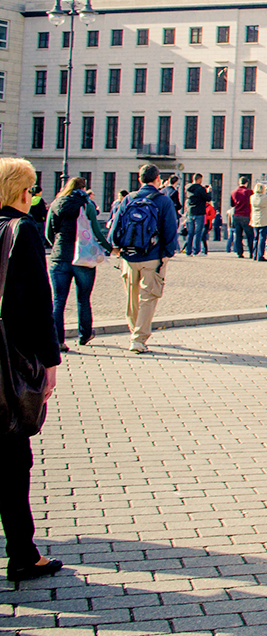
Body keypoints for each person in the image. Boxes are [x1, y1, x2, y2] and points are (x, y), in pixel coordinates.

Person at [0, 158, 65, 583]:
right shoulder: (22, 231)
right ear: (24, 192)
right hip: (8, 361)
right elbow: (38, 306)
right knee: (12, 456)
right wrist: (50, 363)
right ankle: (23, 553)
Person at [110, 164, 181, 354]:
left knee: (131, 298)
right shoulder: (163, 201)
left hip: (128, 256)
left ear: (140, 179)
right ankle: (139, 338)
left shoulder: (128, 199)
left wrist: (116, 249)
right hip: (152, 256)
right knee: (148, 297)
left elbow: (115, 226)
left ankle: (135, 331)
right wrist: (167, 254)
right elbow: (170, 230)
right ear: (157, 179)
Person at [43, 177, 113, 350]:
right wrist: (109, 248)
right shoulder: (86, 205)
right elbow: (96, 231)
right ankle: (85, 334)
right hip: (82, 257)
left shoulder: (56, 203)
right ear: (83, 188)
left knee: (59, 300)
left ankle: (58, 341)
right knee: (83, 298)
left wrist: (57, 246)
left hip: (60, 257)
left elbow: (48, 233)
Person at [183, 177, 210, 256]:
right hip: (199, 212)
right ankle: (196, 251)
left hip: (190, 212)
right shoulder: (201, 189)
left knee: (190, 232)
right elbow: (208, 198)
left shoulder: (188, 188)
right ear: (200, 179)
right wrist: (208, 191)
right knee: (198, 232)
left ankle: (188, 251)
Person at [249, 181, 267, 261]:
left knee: (256, 238)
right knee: (262, 238)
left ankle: (254, 255)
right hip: (264, 220)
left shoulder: (252, 197)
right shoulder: (265, 197)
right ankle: (260, 255)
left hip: (255, 219)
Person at [229, 177, 252, 257]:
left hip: (236, 215)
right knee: (250, 235)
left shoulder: (234, 192)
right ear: (246, 183)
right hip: (246, 215)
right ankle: (251, 252)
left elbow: (232, 204)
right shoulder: (249, 192)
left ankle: (239, 252)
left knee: (238, 235)